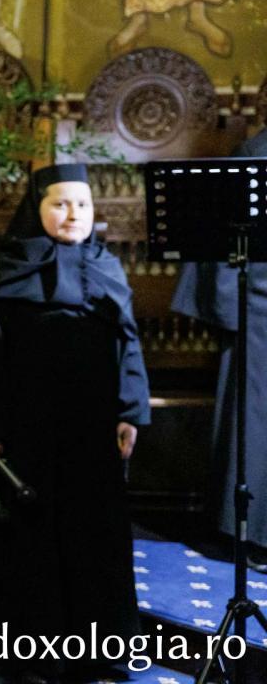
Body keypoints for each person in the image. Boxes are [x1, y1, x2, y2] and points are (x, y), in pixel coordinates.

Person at [0, 164, 150, 683]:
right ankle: (25, 651)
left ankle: (98, 648)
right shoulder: (8, 267)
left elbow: (127, 342)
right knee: (27, 532)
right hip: (24, 425)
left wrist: (129, 412)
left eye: (82, 204)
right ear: (35, 208)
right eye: (60, 204)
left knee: (93, 532)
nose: (72, 214)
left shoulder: (106, 266)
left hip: (92, 424)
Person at [172, 132, 267, 572]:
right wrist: (236, 311)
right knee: (256, 419)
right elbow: (229, 241)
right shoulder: (254, 154)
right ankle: (254, 533)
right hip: (261, 309)